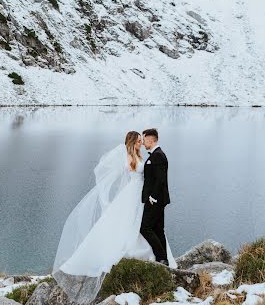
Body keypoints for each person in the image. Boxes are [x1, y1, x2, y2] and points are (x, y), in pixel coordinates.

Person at [52, 130, 177, 304]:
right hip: (133, 194)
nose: (141, 142)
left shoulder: (142, 156)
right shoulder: (129, 158)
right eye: (139, 140)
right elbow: (113, 174)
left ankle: (158, 256)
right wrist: (106, 198)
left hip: (143, 195)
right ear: (134, 141)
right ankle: (147, 255)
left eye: (143, 139)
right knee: (132, 224)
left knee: (146, 225)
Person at [140, 128, 170, 265]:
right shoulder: (155, 154)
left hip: (155, 199)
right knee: (158, 229)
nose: (142, 142)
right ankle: (164, 260)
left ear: (151, 140)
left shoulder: (158, 155)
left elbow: (160, 179)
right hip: (157, 199)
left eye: (144, 139)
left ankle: (161, 257)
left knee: (145, 228)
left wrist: (152, 196)